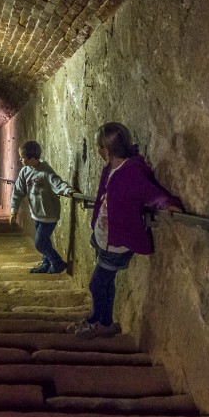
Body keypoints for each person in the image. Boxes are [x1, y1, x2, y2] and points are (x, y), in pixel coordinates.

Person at [71, 122, 183, 339]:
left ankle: (96, 321)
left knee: (96, 283)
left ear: (105, 150)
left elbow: (151, 192)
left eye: (98, 148)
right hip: (104, 237)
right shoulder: (111, 169)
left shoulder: (131, 172)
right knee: (106, 282)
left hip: (117, 242)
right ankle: (104, 322)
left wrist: (167, 203)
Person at [9, 141, 76, 274]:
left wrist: (68, 190)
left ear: (32, 158)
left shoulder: (45, 171)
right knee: (45, 241)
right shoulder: (25, 171)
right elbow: (18, 191)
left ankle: (57, 262)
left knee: (40, 244)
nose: (20, 160)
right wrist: (13, 211)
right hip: (36, 214)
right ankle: (46, 264)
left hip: (49, 215)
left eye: (22, 157)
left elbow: (57, 182)